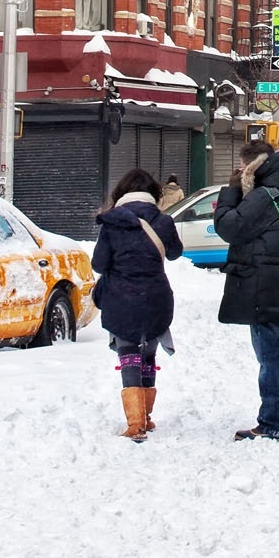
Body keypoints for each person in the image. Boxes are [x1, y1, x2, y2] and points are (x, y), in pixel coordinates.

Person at [215, 137, 279, 441]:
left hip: (264, 287)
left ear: (253, 166)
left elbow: (229, 227)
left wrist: (231, 190)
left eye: (243, 168)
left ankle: (276, 422)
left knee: (270, 357)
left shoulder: (265, 196)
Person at [91, 168, 182, 441]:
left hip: (120, 297)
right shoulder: (163, 221)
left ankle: (135, 423)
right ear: (153, 194)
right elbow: (176, 253)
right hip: (155, 296)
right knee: (148, 355)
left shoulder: (111, 223)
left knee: (128, 353)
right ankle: (147, 417)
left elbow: (99, 264)